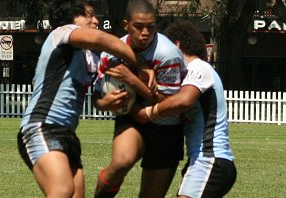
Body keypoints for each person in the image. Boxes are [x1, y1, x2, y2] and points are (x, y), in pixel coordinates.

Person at [16, 0, 153, 197]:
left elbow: (97, 98)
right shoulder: (61, 33)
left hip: (68, 135)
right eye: (89, 15)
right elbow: (100, 39)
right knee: (62, 190)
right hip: (42, 126)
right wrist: (140, 63)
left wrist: (106, 102)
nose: (96, 21)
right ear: (71, 17)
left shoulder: (91, 58)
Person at [92, 0, 186, 197]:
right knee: (121, 162)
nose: (145, 33)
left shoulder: (167, 54)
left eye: (151, 27)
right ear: (126, 25)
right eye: (139, 26)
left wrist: (132, 80)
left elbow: (170, 103)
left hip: (166, 125)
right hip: (132, 118)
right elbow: (97, 96)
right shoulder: (110, 53)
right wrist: (103, 103)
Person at [135, 21, 237, 198]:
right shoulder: (184, 74)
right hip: (200, 160)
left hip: (210, 159)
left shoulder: (198, 67)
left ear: (176, 45)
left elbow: (184, 100)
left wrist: (149, 113)